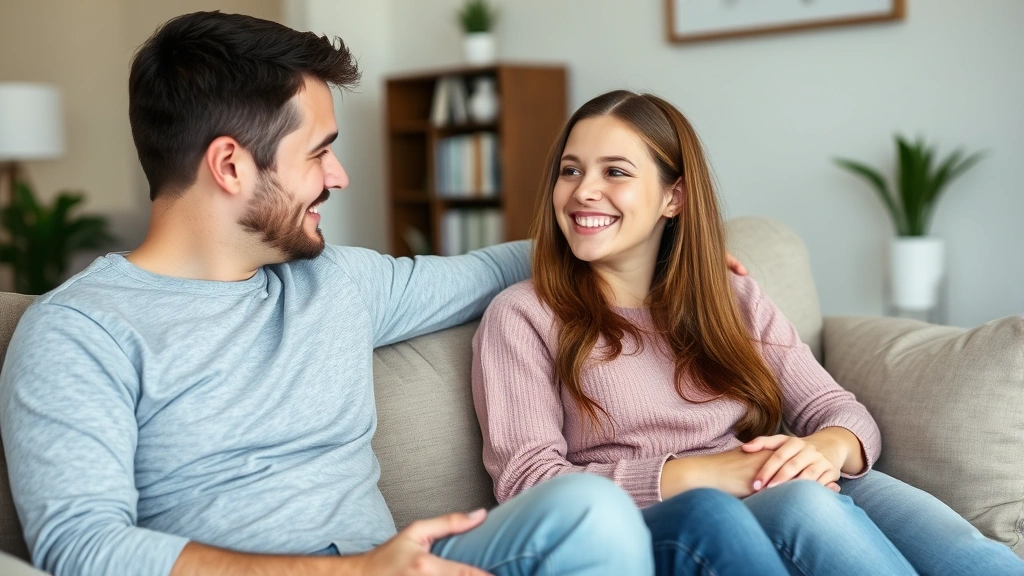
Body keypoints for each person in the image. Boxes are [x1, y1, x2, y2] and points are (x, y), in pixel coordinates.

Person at [0, 13, 666, 576]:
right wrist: (348, 573)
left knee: (591, 509)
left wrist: (658, 251)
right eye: (319, 153)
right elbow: (81, 545)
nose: (340, 176)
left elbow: (495, 268)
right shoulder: (80, 330)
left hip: (395, 564)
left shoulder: (337, 282)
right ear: (230, 164)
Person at [471, 90, 1024, 575]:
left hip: (775, 483)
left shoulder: (730, 297)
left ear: (674, 198)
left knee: (972, 559)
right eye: (571, 170)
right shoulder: (524, 315)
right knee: (802, 506)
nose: (583, 191)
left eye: (615, 171)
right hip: (675, 518)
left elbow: (837, 408)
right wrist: (719, 472)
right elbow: (529, 483)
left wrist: (825, 450)